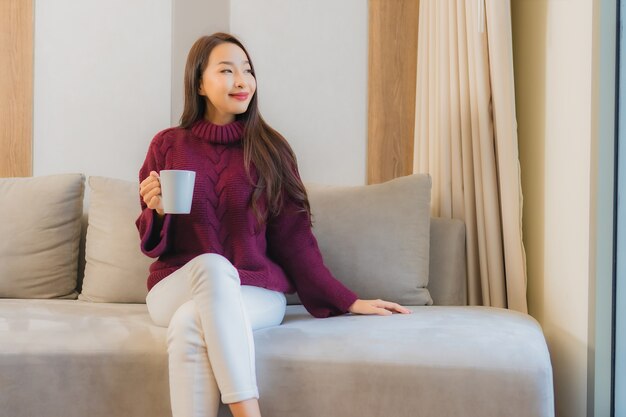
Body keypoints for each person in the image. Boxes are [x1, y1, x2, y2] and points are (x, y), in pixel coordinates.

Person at [136, 32, 412, 417]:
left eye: (247, 70)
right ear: (199, 82)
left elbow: (294, 240)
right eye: (227, 70)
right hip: (177, 286)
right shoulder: (167, 146)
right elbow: (153, 245)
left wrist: (348, 299)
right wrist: (159, 213)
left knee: (188, 325)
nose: (241, 80)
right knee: (213, 269)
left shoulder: (270, 149)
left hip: (255, 291)